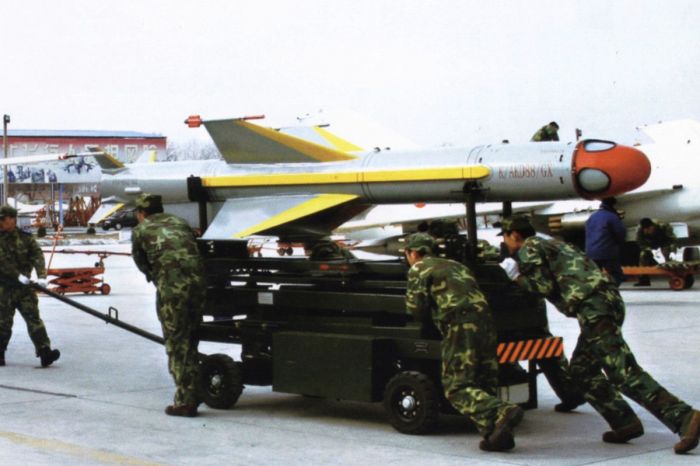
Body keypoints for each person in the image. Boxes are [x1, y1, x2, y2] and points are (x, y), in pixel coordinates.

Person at [498, 215, 700, 454]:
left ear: (514, 235)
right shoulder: (553, 244)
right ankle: (624, 421)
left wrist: (516, 277)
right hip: (604, 303)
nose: (505, 243)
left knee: (623, 372)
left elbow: (543, 287)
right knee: (581, 371)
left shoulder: (529, 247)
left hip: (594, 308)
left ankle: (684, 417)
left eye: (506, 238)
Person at [404, 233, 523, 452]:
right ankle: (495, 434)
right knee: (483, 382)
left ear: (413, 253)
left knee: (456, 386)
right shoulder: (456, 265)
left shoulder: (419, 267)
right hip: (486, 323)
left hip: (460, 324)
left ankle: (501, 411)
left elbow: (416, 309)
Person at [132, 193, 206, 417]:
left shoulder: (141, 230)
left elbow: (141, 261)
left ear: (141, 213)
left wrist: (156, 277)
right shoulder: (180, 222)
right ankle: (194, 389)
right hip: (198, 287)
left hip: (173, 291)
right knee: (191, 339)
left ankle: (185, 401)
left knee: (176, 343)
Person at [0, 206, 60, 367]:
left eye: (3, 219)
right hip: (4, 288)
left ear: (12, 219)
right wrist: (17, 275)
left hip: (24, 288)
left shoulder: (26, 238)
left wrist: (42, 277)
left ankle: (44, 352)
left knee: (34, 319)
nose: (1, 222)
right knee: (3, 322)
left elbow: (37, 255)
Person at [585, 197, 626, 286]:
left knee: (594, 276)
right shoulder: (612, 216)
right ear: (613, 205)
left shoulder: (592, 216)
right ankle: (612, 291)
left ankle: (597, 292)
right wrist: (619, 245)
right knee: (616, 274)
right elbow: (620, 233)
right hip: (607, 251)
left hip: (591, 252)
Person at [635, 218, 677, 286]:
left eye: (649, 229)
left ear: (653, 226)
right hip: (651, 245)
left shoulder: (663, 226)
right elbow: (641, 243)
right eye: (646, 230)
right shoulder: (639, 230)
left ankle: (675, 277)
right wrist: (649, 250)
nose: (648, 232)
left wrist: (673, 251)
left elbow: (672, 240)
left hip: (664, 242)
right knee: (643, 255)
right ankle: (644, 279)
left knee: (667, 254)